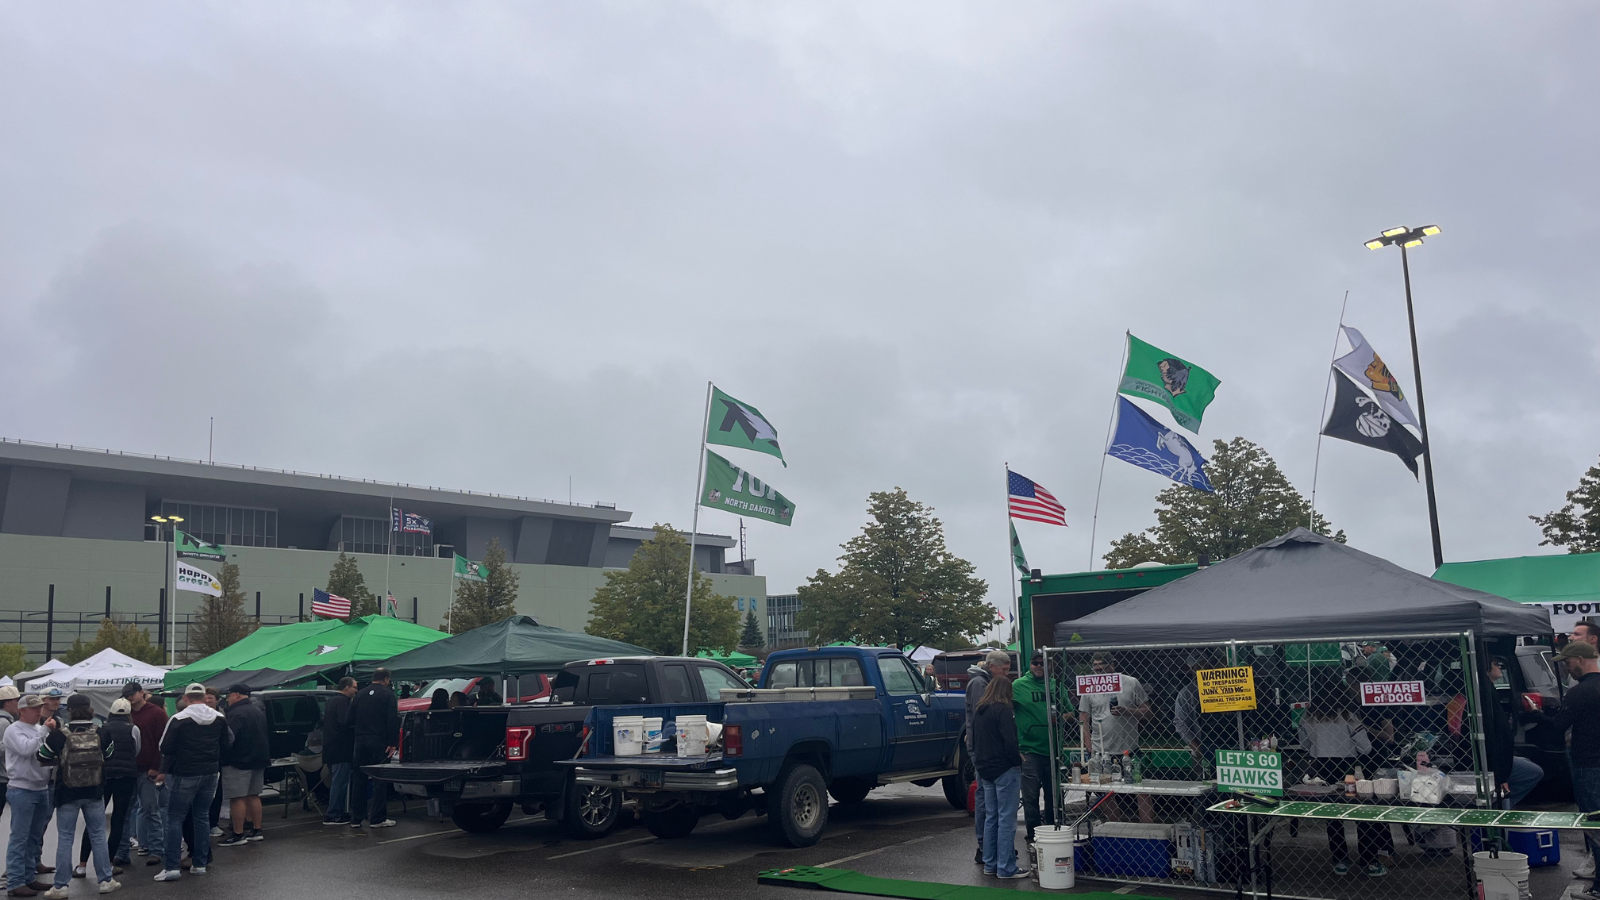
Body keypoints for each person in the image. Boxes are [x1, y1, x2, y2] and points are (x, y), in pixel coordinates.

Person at [1298, 681, 1389, 877]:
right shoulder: (1349, 717)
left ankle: (1340, 860)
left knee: (1332, 815)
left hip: (1321, 769)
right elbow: (1366, 748)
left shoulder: (1307, 717)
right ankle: (1370, 861)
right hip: (1349, 768)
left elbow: (1304, 745)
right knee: (1361, 814)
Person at [1532, 642, 1600, 900]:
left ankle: (1599, 887)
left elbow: (1558, 725)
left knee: (1593, 822)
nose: (1565, 667)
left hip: (1588, 763)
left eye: (1568, 662)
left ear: (1581, 659)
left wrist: (1537, 714)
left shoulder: (1581, 692)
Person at [39, 694, 120, 897]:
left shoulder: (59, 734)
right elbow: (110, 756)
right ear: (90, 708)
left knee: (65, 838)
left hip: (66, 792)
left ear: (70, 710)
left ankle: (61, 886)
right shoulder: (101, 732)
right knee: (98, 835)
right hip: (95, 790)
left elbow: (42, 755)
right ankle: (105, 880)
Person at [154, 683, 231, 883]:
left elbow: (165, 746)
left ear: (186, 698)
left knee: (174, 818)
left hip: (185, 774)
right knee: (202, 817)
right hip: (211, 773)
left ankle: (171, 867)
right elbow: (228, 742)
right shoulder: (219, 718)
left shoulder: (178, 719)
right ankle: (200, 864)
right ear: (205, 697)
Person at [973, 675, 1029, 879]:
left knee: (992, 817)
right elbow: (1010, 741)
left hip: (985, 768)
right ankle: (1006, 866)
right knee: (1007, 819)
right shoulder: (1004, 710)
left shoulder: (980, 710)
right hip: (1004, 768)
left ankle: (990, 863)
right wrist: (1017, 760)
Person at [79, 698, 138, 876]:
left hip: (103, 776)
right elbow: (137, 749)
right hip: (126, 776)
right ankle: (110, 862)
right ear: (128, 713)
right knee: (118, 819)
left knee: (93, 820)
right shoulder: (133, 729)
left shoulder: (102, 729)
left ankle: (82, 864)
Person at [6, 695, 56, 898]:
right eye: (34, 708)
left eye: (40, 708)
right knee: (19, 837)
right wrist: (45, 730)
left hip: (41, 787)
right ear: (22, 710)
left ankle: (28, 877)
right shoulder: (13, 730)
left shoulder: (38, 729)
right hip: (22, 788)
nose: (38, 711)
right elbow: (26, 749)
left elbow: (45, 753)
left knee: (34, 837)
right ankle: (15, 881)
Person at [964, 650, 1010, 865]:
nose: (1006, 674)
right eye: (1004, 669)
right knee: (985, 800)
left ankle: (992, 848)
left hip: (984, 749)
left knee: (990, 802)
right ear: (992, 667)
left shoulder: (985, 682)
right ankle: (984, 847)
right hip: (982, 750)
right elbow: (980, 716)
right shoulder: (979, 684)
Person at [1012, 652, 1058, 842]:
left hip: (1053, 749)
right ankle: (1033, 835)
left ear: (1049, 666)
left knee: (1053, 796)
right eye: (1035, 663)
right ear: (1030, 665)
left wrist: (1062, 717)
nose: (1039, 666)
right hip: (1029, 749)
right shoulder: (1018, 685)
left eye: (1043, 663)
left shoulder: (1056, 685)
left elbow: (1071, 713)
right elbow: (1004, 711)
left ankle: (1053, 832)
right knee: (1030, 796)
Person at [1485, 657, 1543, 809]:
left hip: (1499, 758)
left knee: (1530, 766)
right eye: (1495, 664)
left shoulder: (1489, 691)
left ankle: (1503, 804)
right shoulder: (1485, 694)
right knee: (1532, 772)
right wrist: (1501, 775)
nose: (1499, 666)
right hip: (1494, 762)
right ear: (1486, 668)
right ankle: (1501, 807)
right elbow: (1495, 738)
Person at [347, 668, 399, 831]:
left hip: (360, 741)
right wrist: (393, 742)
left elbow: (349, 719)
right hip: (379, 741)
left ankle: (356, 818)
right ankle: (377, 818)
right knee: (379, 779)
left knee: (359, 779)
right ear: (385, 679)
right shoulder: (388, 695)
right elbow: (392, 719)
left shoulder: (360, 694)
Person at [123, 682, 168, 869]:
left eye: (133, 694)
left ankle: (156, 849)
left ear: (142, 693)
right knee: (126, 812)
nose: (130, 697)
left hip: (148, 769)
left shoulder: (157, 713)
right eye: (127, 695)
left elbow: (164, 742)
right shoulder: (125, 713)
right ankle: (122, 851)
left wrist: (158, 767)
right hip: (128, 769)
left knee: (151, 809)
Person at [217, 685, 268, 847]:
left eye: (229, 695)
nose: (228, 699)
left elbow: (228, 738)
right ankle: (256, 830)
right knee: (253, 795)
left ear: (237, 695)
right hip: (258, 759)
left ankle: (238, 834)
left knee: (237, 798)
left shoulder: (236, 713)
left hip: (238, 760)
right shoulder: (257, 711)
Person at [321, 677, 357, 825]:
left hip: (330, 748)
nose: (356, 690)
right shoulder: (343, 702)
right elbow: (345, 722)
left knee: (337, 781)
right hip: (341, 748)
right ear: (347, 687)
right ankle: (334, 814)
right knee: (340, 782)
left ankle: (337, 811)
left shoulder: (331, 701)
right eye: (355, 687)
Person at [0, 686, 17, 820]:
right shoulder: (4, 723)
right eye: (16, 700)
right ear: (8, 703)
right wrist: (13, 743)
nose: (18, 704)